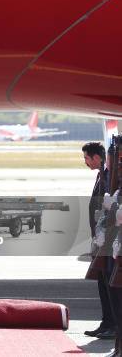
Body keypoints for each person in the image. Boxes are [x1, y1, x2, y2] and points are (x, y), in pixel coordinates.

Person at [83, 142, 117, 339]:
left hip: (107, 239)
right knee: (102, 283)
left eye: (87, 158)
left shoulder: (108, 178)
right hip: (99, 238)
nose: (85, 162)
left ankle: (112, 324)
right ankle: (107, 322)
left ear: (97, 157)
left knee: (109, 283)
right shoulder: (101, 175)